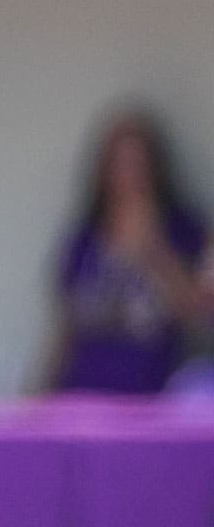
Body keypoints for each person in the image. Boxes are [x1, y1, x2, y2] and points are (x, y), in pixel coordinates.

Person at [48, 108, 211, 394]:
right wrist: (41, 396)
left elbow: (200, 315)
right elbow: (68, 328)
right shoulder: (85, 238)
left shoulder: (184, 230)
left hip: (153, 397)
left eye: (138, 162)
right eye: (120, 163)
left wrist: (154, 252)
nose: (130, 174)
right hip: (83, 395)